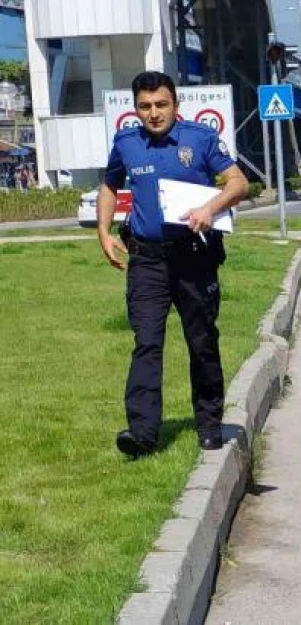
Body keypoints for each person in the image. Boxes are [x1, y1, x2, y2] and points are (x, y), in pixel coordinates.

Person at [97, 71, 249, 459]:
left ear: (175, 105)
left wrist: (209, 208)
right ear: (135, 109)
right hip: (147, 259)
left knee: (201, 342)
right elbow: (110, 185)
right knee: (146, 342)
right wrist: (104, 231)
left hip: (194, 256)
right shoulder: (126, 143)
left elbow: (238, 183)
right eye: (145, 106)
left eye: (161, 104)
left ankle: (210, 424)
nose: (153, 113)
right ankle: (143, 433)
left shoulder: (199, 139)